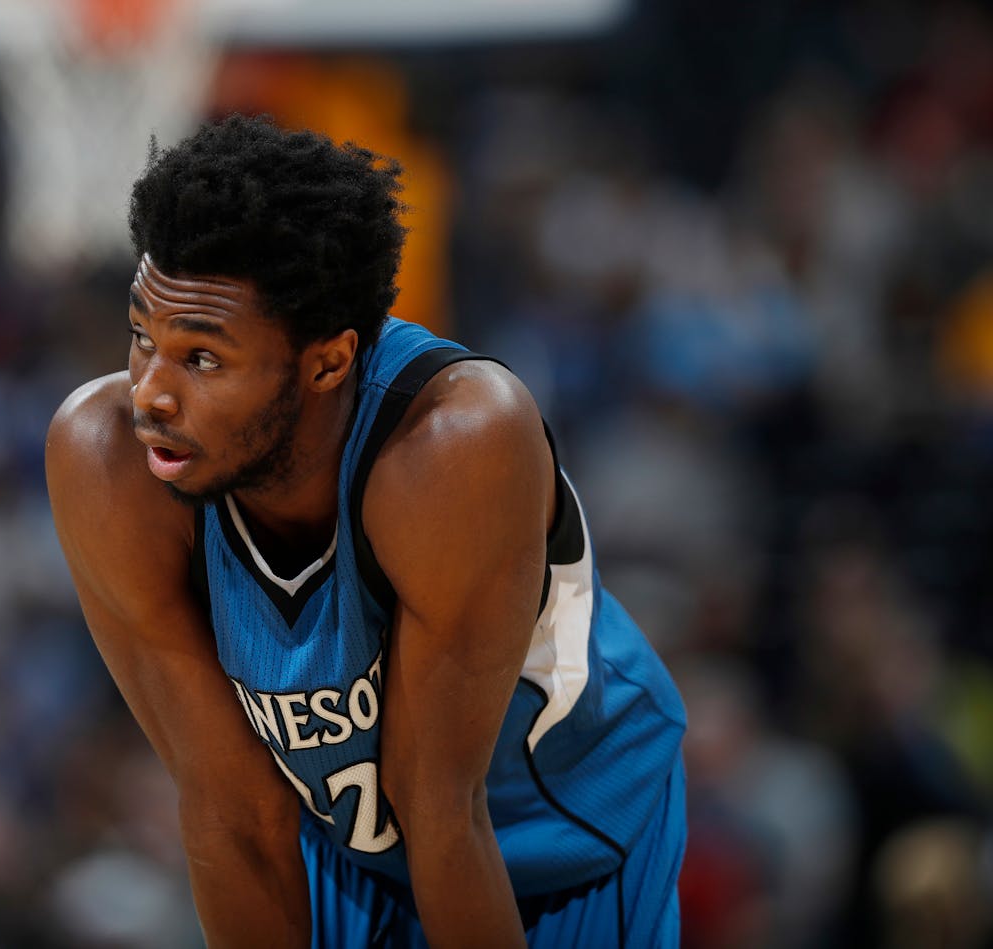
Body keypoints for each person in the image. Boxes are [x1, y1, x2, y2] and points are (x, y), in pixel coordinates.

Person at [46, 114, 687, 948]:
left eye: (201, 359)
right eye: (142, 337)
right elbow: (232, 814)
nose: (150, 394)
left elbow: (446, 816)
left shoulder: (455, 446)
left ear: (327, 361)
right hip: (358, 849)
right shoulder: (106, 461)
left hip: (570, 831)